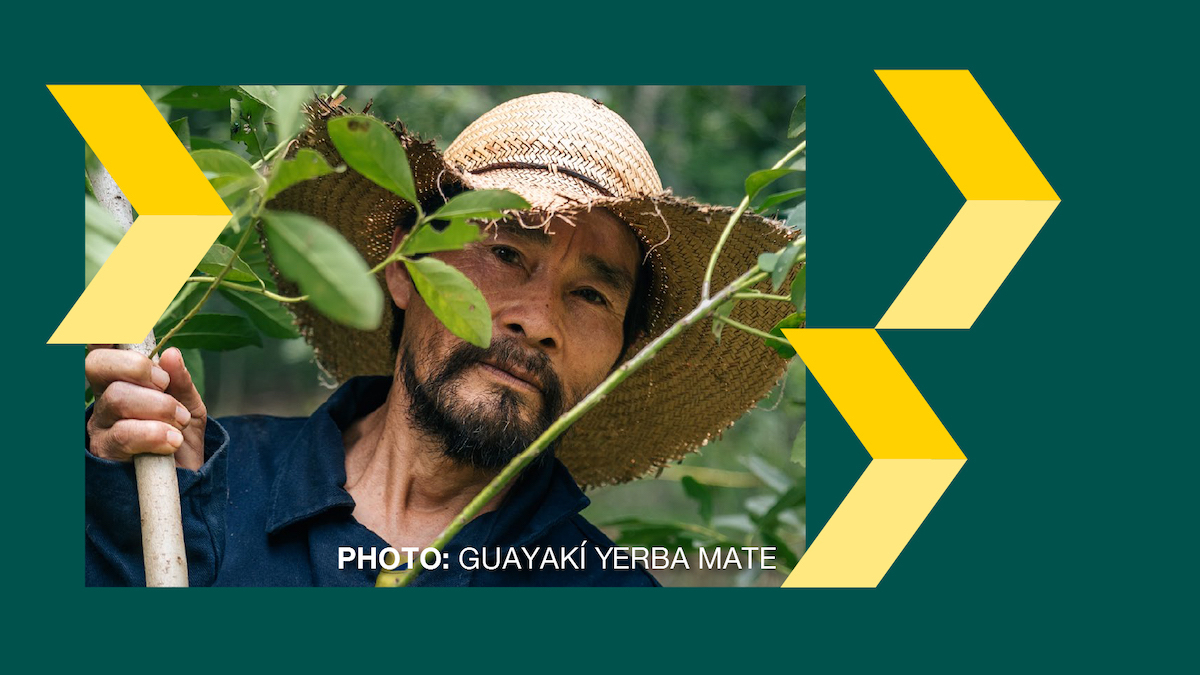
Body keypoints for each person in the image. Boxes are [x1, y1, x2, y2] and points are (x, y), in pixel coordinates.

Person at [84, 91, 799, 586]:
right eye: (507, 254)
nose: (537, 320)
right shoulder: (206, 487)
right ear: (403, 267)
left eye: (589, 294)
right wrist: (120, 508)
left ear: (623, 352)